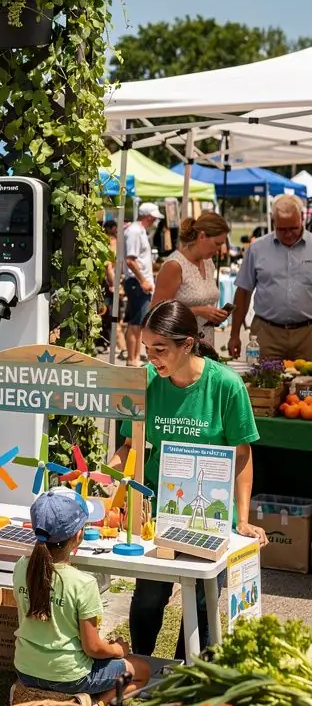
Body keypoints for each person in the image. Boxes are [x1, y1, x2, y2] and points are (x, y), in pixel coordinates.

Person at [110, 300, 267, 658]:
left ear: (188, 344)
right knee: (149, 595)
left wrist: (242, 519)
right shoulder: (146, 382)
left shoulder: (226, 386)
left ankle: (189, 674)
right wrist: (110, 477)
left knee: (200, 600)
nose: (152, 358)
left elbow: (242, 456)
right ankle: (140, 667)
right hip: (156, 515)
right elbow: (128, 446)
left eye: (160, 350)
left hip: (209, 516)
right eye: (148, 348)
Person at [12, 490, 150, 702]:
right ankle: (92, 704)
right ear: (79, 536)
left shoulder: (21, 567)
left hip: (25, 669)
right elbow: (93, 648)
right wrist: (117, 649)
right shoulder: (83, 584)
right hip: (69, 676)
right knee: (141, 670)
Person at [229, 195, 312, 362]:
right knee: (263, 385)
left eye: (294, 228)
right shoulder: (257, 249)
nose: (288, 234)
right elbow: (243, 293)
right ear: (273, 222)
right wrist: (234, 334)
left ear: (302, 219)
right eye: (282, 229)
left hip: (307, 334)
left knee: (307, 387)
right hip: (266, 334)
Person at [150, 211, 230, 344]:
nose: (219, 249)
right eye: (217, 243)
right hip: (178, 345)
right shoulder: (175, 266)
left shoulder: (208, 263)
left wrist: (214, 316)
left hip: (205, 342)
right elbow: (157, 312)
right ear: (202, 236)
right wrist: (198, 311)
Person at [122, 202, 161, 365]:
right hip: (136, 283)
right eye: (153, 218)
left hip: (138, 282)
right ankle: (133, 359)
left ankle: (134, 358)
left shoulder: (139, 231)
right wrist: (143, 280)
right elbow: (130, 260)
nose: (154, 222)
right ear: (148, 217)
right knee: (136, 324)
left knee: (137, 323)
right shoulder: (135, 231)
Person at [99, 218, 118, 351]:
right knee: (108, 313)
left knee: (104, 313)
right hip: (106, 284)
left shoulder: (102, 240)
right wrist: (114, 284)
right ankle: (107, 341)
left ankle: (103, 341)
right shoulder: (110, 242)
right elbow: (109, 267)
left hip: (101, 282)